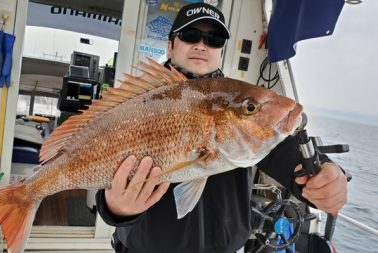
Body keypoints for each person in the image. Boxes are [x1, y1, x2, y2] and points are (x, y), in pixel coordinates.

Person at [95, 3, 349, 253]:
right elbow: (95, 154)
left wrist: (322, 176)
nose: (201, 45)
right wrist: (114, 207)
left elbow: (282, 150)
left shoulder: (235, 101)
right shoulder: (138, 101)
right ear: (170, 45)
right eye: (190, 35)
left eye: (213, 39)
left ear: (221, 51)